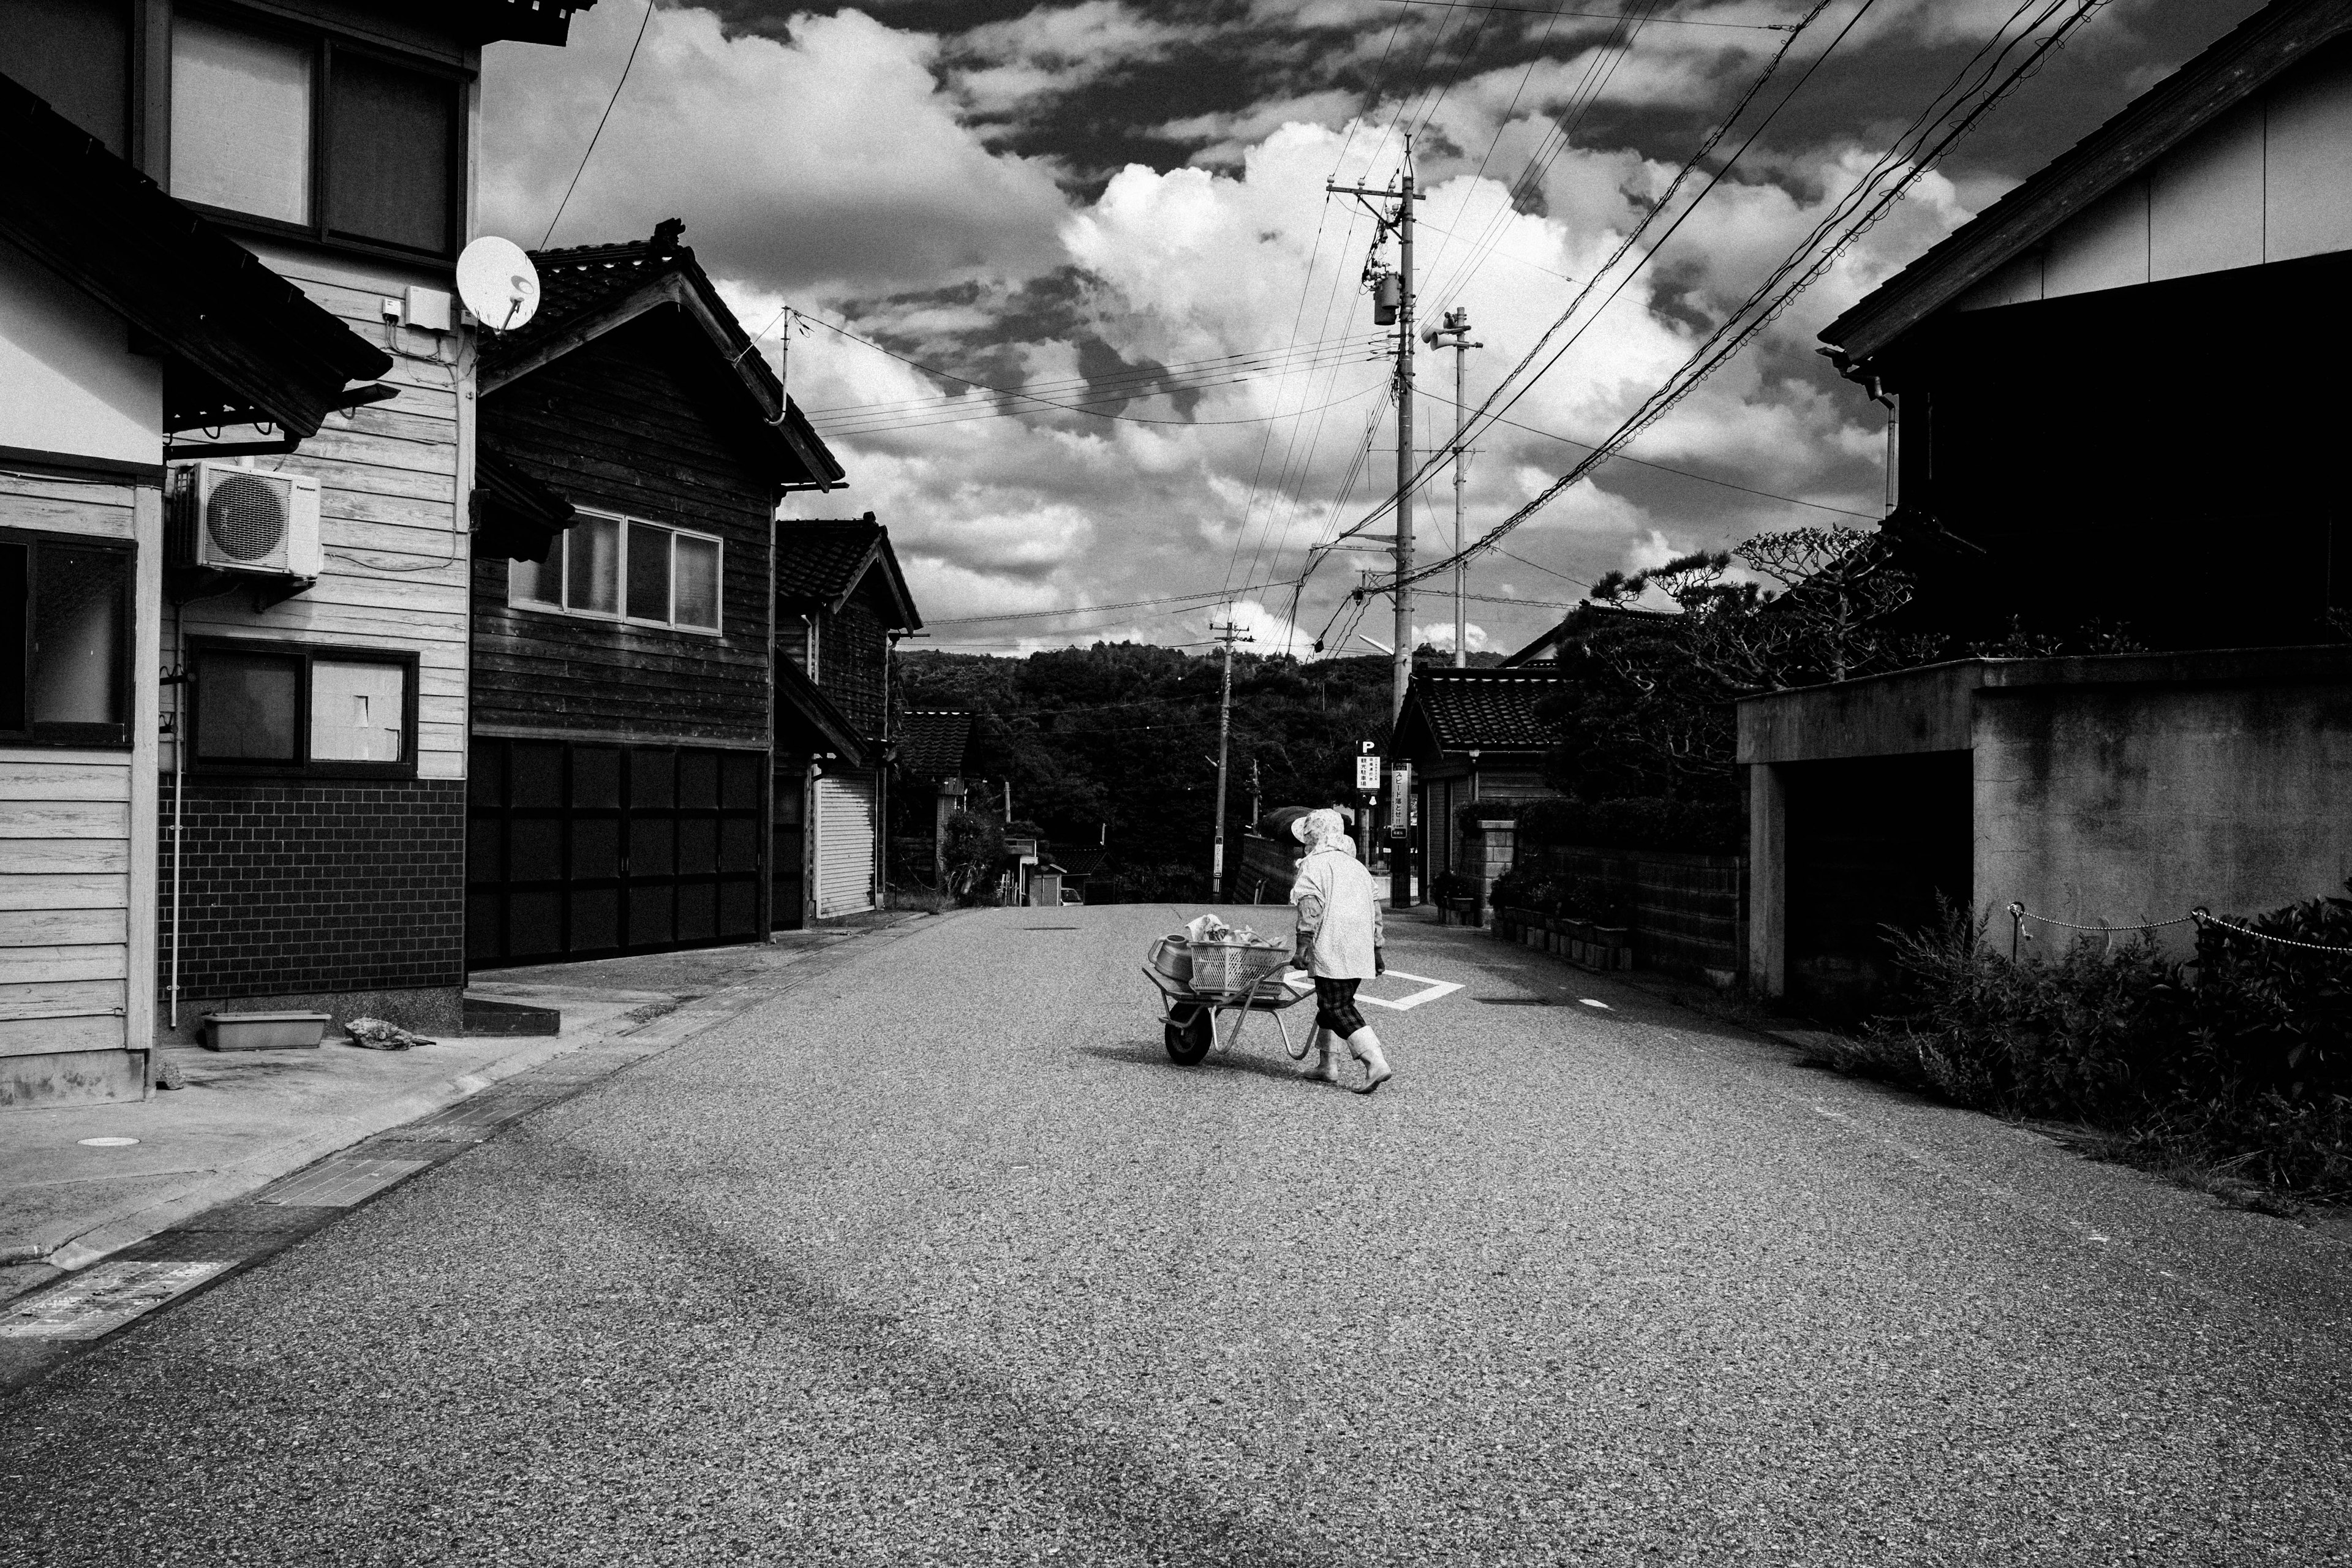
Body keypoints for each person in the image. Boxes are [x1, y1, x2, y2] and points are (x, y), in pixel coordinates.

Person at [1287, 807, 1393, 1094]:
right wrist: (1377, 949)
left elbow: (1310, 905)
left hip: (1333, 945)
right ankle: (1328, 1065)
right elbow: (1376, 911)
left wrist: (1303, 944)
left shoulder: (1314, 865)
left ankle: (1375, 1061)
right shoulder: (1357, 867)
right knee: (1329, 1004)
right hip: (1359, 946)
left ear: (1313, 836)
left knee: (1337, 1007)